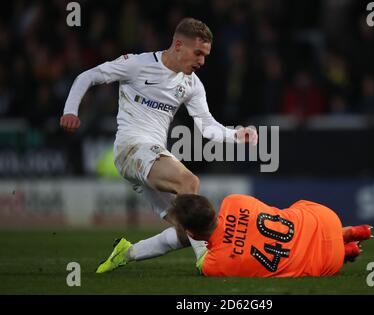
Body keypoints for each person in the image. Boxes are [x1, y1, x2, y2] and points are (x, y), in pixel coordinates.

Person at [59, 17, 258, 273]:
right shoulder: (137, 64)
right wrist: (71, 111)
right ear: (178, 45)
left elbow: (207, 126)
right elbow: (89, 76)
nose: (201, 61)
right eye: (197, 53)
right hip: (130, 149)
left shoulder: (192, 84)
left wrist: (236, 135)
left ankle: (125, 253)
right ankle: (205, 262)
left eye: (205, 55)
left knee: (187, 230)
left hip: (152, 156)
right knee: (189, 183)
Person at [168, 194, 373, 277]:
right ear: (211, 207)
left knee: (293, 254)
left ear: (191, 232)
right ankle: (346, 234)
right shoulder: (234, 201)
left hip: (327, 264)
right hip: (326, 218)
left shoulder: (214, 264)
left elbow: (201, 257)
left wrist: (192, 235)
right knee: (291, 213)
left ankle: (344, 250)